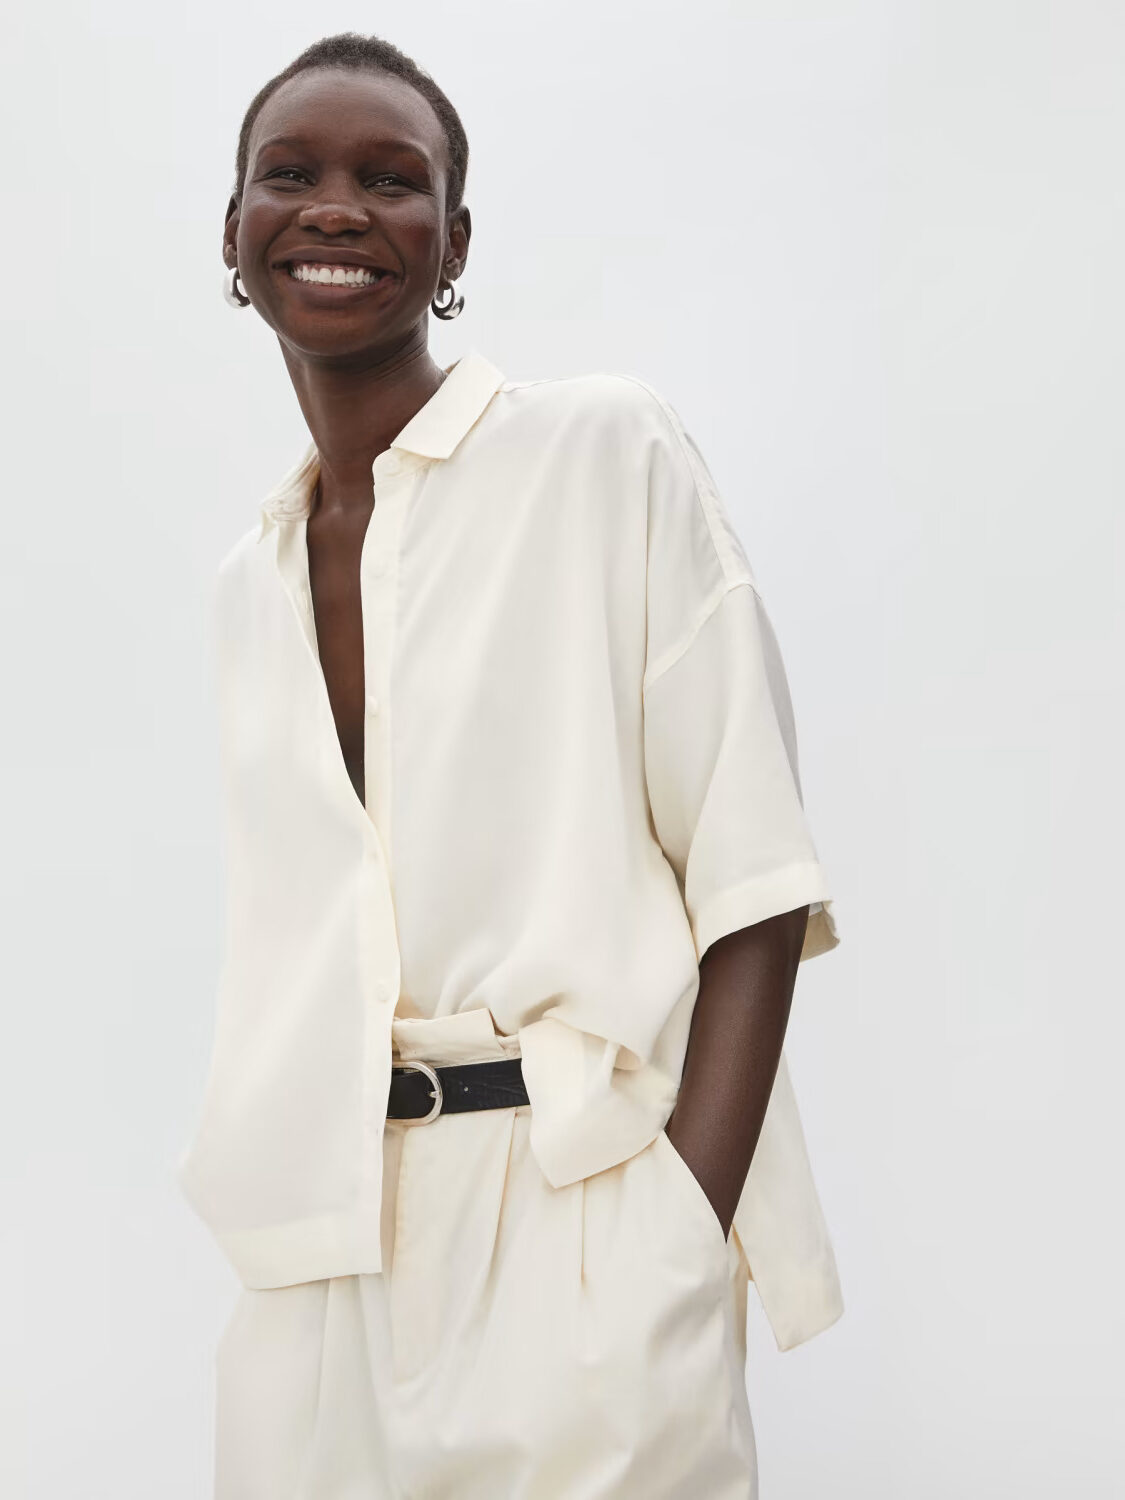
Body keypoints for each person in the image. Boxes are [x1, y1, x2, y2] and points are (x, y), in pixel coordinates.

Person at [177, 29, 843, 1500]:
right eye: (289, 175)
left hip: (576, 1218)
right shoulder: (250, 577)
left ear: (451, 240)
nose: (337, 206)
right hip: (312, 1268)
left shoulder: (604, 455)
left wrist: (673, 1231)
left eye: (390, 180)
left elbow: (753, 876)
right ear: (234, 234)